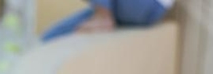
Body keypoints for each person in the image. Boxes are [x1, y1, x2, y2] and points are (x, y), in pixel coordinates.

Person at [41, 0, 175, 42]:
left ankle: (102, 17)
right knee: (50, 38)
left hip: (146, 4)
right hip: (136, 10)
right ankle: (102, 15)